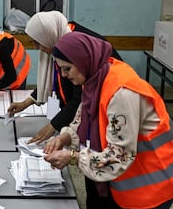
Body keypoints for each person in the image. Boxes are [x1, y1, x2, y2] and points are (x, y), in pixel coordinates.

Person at [44, 31, 173, 209]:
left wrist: (73, 157)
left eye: (67, 69)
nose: (63, 75)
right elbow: (85, 118)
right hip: (134, 182)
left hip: (152, 187)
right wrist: (65, 137)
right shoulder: (95, 77)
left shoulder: (121, 93)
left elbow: (117, 157)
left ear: (82, 60)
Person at [8, 11, 123, 144]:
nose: (36, 48)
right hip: (84, 113)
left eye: (37, 43)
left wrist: (53, 126)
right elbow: (53, 79)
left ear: (47, 35)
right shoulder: (58, 38)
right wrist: (26, 103)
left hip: (106, 111)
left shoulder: (76, 47)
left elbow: (79, 98)